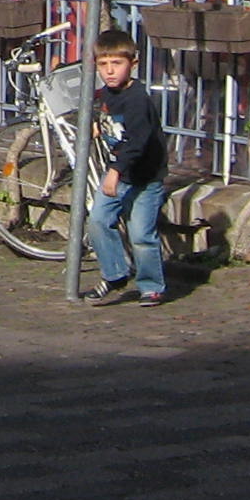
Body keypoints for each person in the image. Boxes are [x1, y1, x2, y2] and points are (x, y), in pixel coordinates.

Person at [83, 28, 169, 308]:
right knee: (98, 221)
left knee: (141, 234)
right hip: (119, 172)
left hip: (144, 177)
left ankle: (151, 286)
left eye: (117, 63)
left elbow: (138, 141)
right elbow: (101, 111)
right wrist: (95, 123)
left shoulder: (137, 100)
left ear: (133, 64)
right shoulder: (105, 94)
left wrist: (115, 171)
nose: (109, 71)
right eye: (103, 64)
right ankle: (115, 274)